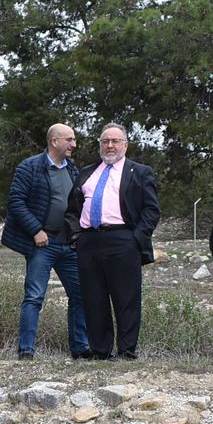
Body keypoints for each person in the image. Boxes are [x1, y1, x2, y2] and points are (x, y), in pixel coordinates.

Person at [65, 122, 158, 361]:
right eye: (105, 141)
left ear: (125, 145)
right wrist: (76, 237)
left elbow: (151, 210)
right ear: (99, 145)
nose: (110, 145)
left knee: (126, 298)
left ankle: (126, 351)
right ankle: (100, 351)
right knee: (93, 298)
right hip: (89, 241)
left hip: (123, 239)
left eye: (115, 141)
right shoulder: (86, 173)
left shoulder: (140, 172)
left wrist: (136, 239)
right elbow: (72, 209)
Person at [4, 123, 89, 361]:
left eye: (74, 140)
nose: (74, 144)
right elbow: (16, 202)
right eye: (69, 140)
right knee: (34, 297)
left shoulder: (72, 169)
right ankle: (26, 351)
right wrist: (36, 230)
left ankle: (81, 349)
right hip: (42, 244)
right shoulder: (29, 167)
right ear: (54, 141)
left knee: (80, 294)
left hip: (68, 244)